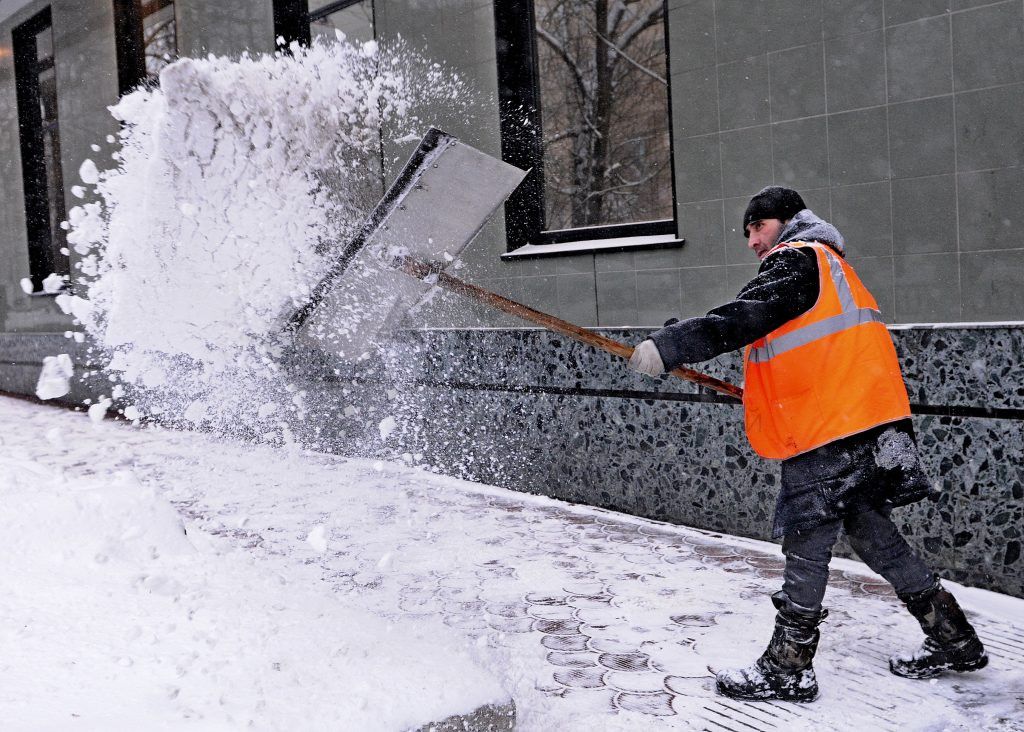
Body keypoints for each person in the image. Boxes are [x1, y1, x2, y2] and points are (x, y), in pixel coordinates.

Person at [627, 186, 988, 702]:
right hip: (865, 421)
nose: (752, 240)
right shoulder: (826, 267)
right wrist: (682, 342)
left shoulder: (799, 258)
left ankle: (788, 665)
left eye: (758, 226)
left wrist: (669, 347)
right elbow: (777, 338)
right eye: (748, 231)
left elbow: (742, 318)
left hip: (831, 429)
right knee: (871, 533)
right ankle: (954, 638)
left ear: (790, 220)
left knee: (807, 535)